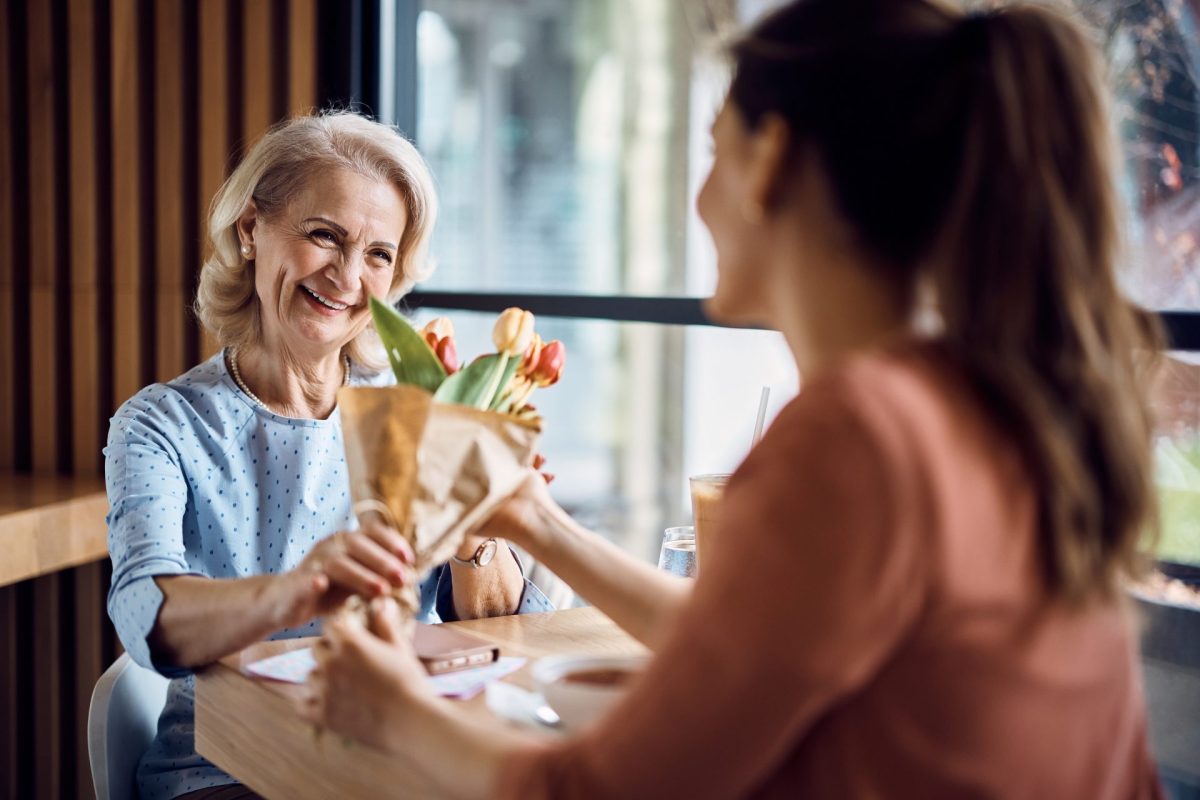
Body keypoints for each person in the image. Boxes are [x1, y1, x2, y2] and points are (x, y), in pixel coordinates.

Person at [305, 1, 1169, 797]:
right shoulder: (973, 398)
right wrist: (536, 521)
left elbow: (594, 793)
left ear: (771, 161)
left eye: (716, 147)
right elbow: (751, 641)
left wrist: (390, 711)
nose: (701, 198)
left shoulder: (856, 437)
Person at [104, 111, 555, 800]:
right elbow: (145, 615)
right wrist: (296, 590)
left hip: (399, 762)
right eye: (325, 236)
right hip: (226, 771)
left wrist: (477, 540)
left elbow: (509, 634)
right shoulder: (162, 425)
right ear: (251, 229)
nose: (348, 275)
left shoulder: (415, 406)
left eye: (378, 254)